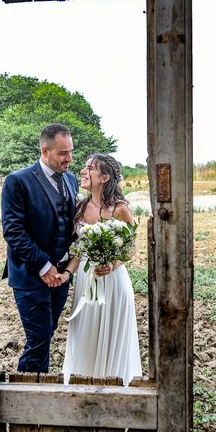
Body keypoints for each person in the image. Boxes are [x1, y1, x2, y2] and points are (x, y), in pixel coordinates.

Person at [58, 154, 142, 386]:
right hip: (86, 281)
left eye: (90, 168)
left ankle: (115, 389)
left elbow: (132, 246)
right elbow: (78, 250)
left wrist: (112, 264)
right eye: (84, 167)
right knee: (85, 335)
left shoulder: (120, 209)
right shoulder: (80, 207)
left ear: (104, 177)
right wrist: (67, 273)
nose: (83, 171)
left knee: (113, 337)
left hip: (113, 283)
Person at [1, 123, 78, 373]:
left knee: (47, 334)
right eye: (63, 153)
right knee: (38, 340)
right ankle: (27, 396)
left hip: (61, 277)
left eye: (71, 151)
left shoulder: (71, 179)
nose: (69, 158)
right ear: (45, 151)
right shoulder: (17, 181)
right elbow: (13, 231)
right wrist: (44, 266)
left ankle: (34, 388)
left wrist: (66, 269)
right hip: (30, 275)